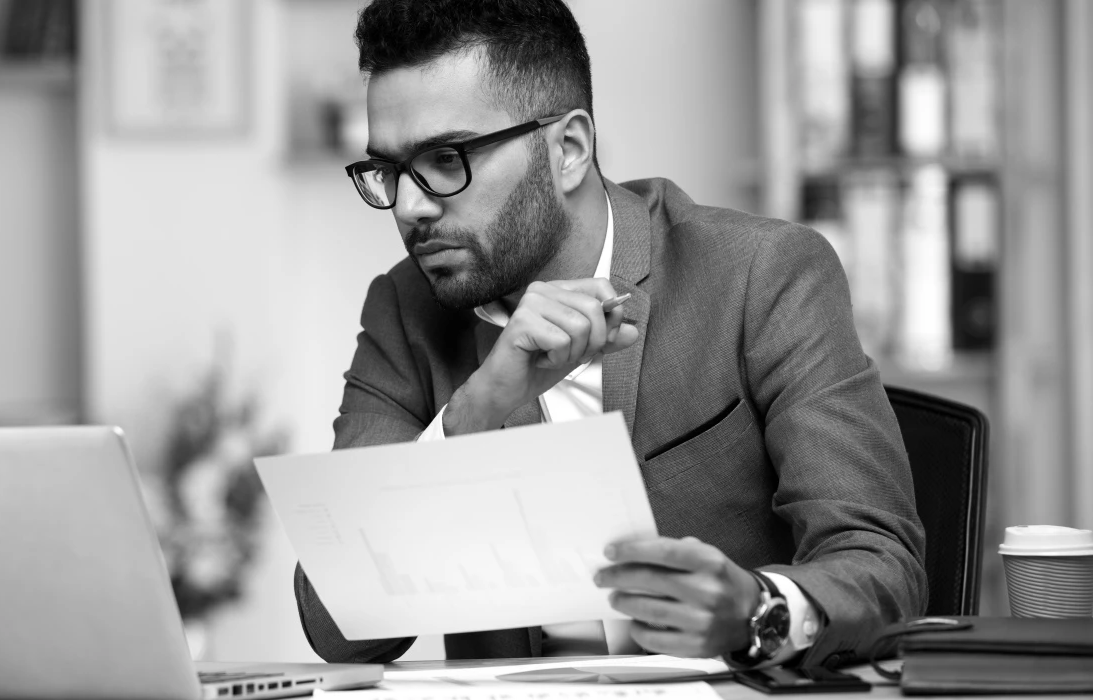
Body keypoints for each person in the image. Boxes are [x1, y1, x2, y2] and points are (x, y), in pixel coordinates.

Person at [294, 0, 926, 669]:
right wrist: (477, 410)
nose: (410, 206)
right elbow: (338, 627)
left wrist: (755, 611)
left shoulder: (758, 276)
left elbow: (883, 566)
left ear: (568, 150)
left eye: (446, 159)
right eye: (388, 170)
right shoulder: (405, 310)